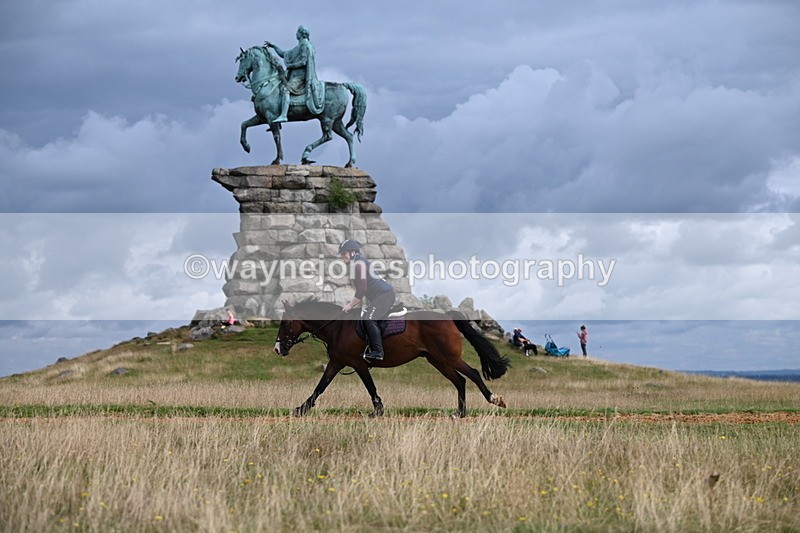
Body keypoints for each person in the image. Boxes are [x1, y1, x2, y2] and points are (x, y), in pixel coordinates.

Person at [338, 239, 396, 361]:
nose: (342, 257)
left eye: (344, 254)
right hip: (381, 295)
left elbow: (361, 290)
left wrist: (350, 305)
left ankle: (378, 352)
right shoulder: (358, 262)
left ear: (352, 252)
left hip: (384, 295)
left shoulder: (358, 265)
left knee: (369, 319)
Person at [264, 25, 324, 121]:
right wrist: (273, 46)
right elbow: (283, 54)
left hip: (300, 77)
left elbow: (304, 62)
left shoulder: (305, 46)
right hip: (294, 76)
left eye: (297, 32)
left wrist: (292, 66)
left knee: (285, 90)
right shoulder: (298, 47)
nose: (296, 34)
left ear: (301, 34)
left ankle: (283, 115)